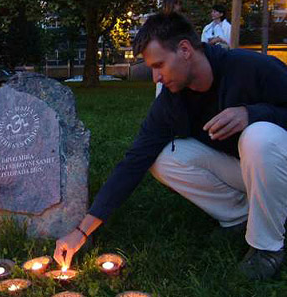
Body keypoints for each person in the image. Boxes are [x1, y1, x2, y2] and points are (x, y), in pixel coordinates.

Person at [54, 12, 287, 280]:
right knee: (162, 158)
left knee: (258, 136)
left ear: (185, 50)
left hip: (278, 164)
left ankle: (267, 247)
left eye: (159, 65)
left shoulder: (250, 67)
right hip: (247, 172)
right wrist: (81, 231)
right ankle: (241, 217)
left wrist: (252, 114)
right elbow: (134, 161)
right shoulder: (172, 101)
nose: (155, 78)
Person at [157, 0, 183, 96]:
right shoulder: (163, 22)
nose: (179, 7)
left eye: (179, 4)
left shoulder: (180, 21)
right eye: (177, 4)